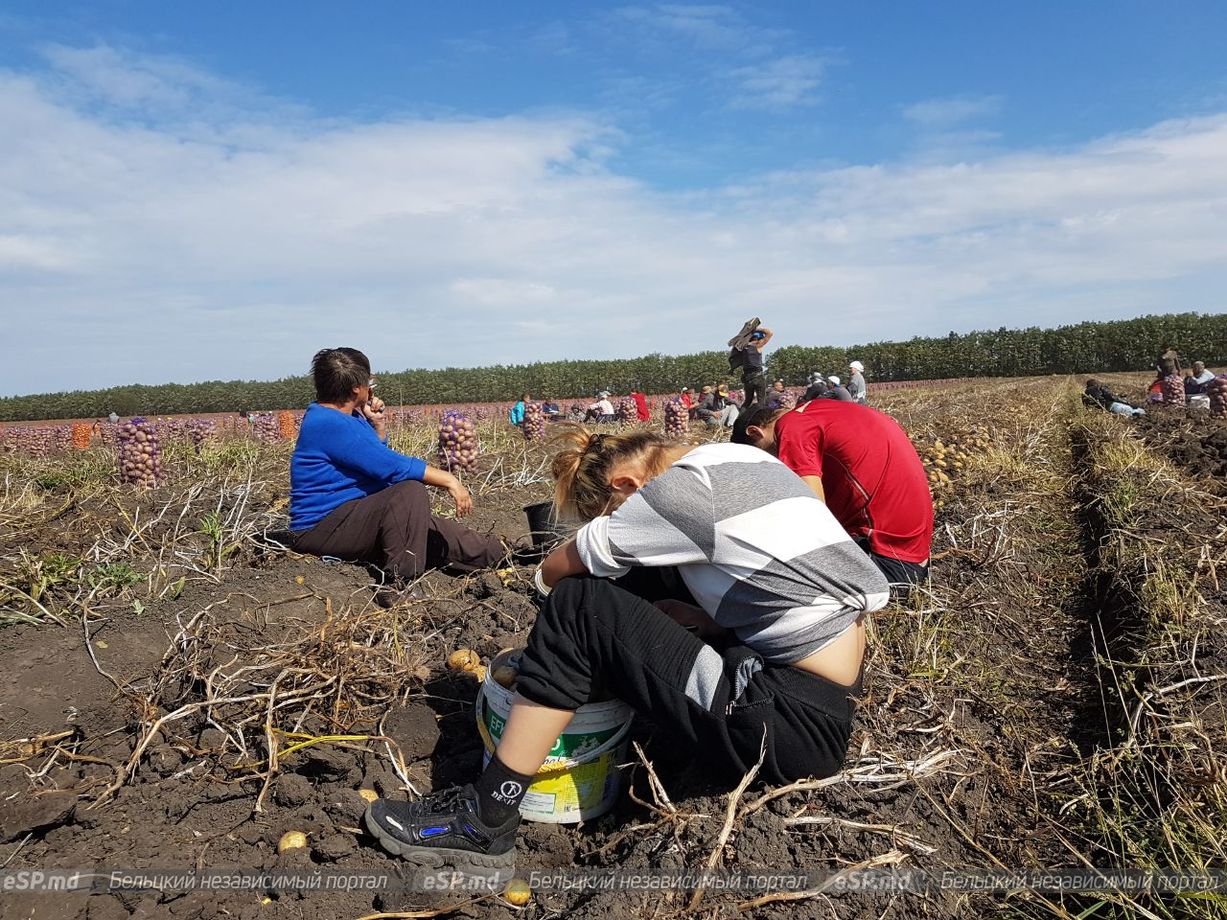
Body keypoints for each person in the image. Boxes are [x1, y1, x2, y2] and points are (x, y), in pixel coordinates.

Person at [363, 426, 890, 873]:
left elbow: (553, 573)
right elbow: (793, 584)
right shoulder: (740, 457)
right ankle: (571, 689)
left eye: (610, 514)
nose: (619, 524)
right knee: (644, 584)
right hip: (813, 697)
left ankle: (485, 817)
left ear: (625, 484)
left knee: (580, 603)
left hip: (780, 719)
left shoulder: (679, 493)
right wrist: (701, 617)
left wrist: (560, 630)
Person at [288, 348, 508, 602]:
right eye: (368, 382)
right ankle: (398, 585)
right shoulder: (328, 423)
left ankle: (509, 554)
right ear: (357, 389)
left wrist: (377, 425)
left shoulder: (344, 417)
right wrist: (450, 480)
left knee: (437, 532)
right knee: (408, 492)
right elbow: (391, 467)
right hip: (322, 528)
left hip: (352, 517)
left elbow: (369, 458)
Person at [732, 400, 933, 588]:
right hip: (914, 556)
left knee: (754, 579)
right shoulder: (828, 410)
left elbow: (814, 518)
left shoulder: (792, 425)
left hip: (886, 565)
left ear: (755, 433)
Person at [728, 323, 772, 406]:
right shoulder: (758, 345)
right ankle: (759, 418)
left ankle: (740, 418)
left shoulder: (742, 347)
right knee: (761, 402)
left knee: (747, 402)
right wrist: (754, 329)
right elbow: (769, 333)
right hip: (758, 377)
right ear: (759, 337)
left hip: (747, 378)